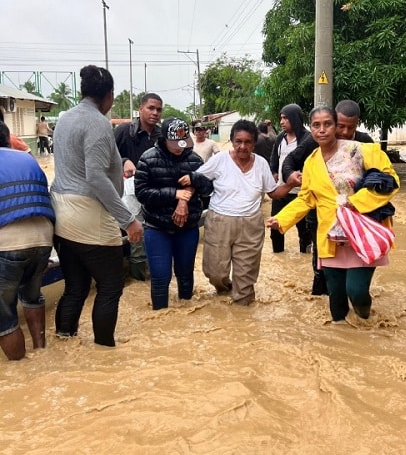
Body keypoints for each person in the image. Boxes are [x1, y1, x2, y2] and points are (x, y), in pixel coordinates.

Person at [266, 105, 399, 323]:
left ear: (336, 126)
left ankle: (366, 322)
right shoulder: (311, 162)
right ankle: (344, 344)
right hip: (331, 236)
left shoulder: (362, 150)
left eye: (327, 124)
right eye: (316, 125)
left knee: (356, 291)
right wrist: (281, 219)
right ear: (310, 128)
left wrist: (356, 203)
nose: (322, 130)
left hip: (362, 231)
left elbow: (390, 181)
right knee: (335, 301)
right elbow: (306, 198)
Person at [50, 65, 143, 347]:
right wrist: (128, 220)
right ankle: (105, 351)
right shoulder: (98, 123)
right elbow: (95, 178)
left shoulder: (65, 119)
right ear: (109, 95)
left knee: (76, 287)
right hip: (88, 215)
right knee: (111, 287)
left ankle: (65, 343)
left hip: (61, 213)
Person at [280, 99, 374, 297]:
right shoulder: (315, 143)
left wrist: (359, 201)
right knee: (322, 264)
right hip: (323, 217)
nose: (345, 132)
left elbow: (383, 181)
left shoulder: (363, 145)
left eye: (351, 127)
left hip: (359, 218)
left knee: (356, 276)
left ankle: (355, 296)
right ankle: (323, 298)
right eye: (341, 126)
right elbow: (290, 161)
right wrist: (291, 176)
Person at [198, 120, 295, 306]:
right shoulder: (220, 160)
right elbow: (198, 178)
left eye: (248, 142)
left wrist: (290, 184)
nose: (242, 146)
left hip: (251, 224)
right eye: (238, 141)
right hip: (219, 221)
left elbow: (273, 193)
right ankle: (224, 289)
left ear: (254, 143)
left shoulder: (261, 164)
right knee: (215, 272)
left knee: (246, 278)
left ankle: (242, 319)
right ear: (232, 141)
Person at [134, 117, 214, 310]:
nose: (179, 148)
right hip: (157, 227)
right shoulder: (148, 158)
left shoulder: (195, 160)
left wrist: (194, 181)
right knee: (160, 277)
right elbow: (142, 193)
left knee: (185, 273)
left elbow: (208, 189)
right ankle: (160, 317)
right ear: (163, 139)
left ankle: (185, 314)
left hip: (187, 228)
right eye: (174, 144)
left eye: (182, 143)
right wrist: (175, 194)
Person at [0, 122, 53, 360]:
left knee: (4, 315)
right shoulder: (28, 159)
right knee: (32, 296)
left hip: (7, 244)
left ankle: (22, 369)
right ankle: (40, 352)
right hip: (42, 239)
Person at [114, 92, 163, 281]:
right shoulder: (124, 131)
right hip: (129, 195)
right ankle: (139, 284)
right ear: (140, 109)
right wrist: (124, 161)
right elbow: (104, 156)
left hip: (156, 195)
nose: (155, 113)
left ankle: (159, 280)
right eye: (151, 108)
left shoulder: (162, 136)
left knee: (159, 239)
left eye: (159, 109)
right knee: (137, 242)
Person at [268, 104, 312, 254]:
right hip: (281, 191)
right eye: (281, 118)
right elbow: (274, 158)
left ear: (294, 118)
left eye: (285, 118)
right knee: (275, 228)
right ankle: (278, 255)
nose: (281, 122)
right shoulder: (280, 137)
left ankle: (305, 256)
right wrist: (273, 172)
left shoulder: (308, 139)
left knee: (305, 232)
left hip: (301, 194)